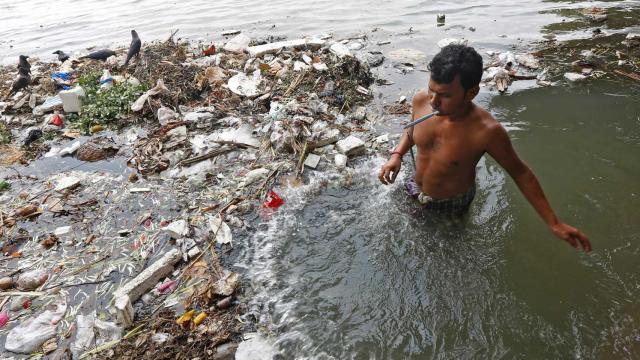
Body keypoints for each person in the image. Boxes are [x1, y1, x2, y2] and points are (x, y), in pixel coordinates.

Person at [378, 44, 591, 252]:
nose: (434, 102)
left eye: (445, 95)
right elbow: (412, 130)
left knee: (445, 251)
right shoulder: (420, 100)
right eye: (431, 90)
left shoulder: (486, 131)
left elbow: (521, 173)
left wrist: (554, 223)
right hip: (414, 188)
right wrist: (397, 155)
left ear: (471, 93)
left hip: (450, 204)